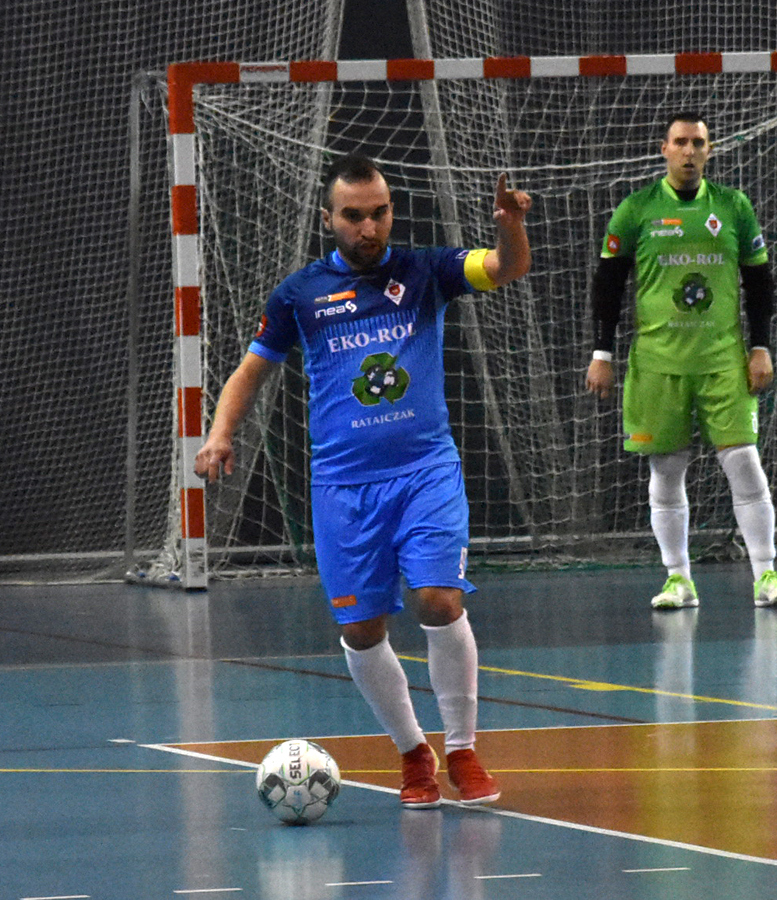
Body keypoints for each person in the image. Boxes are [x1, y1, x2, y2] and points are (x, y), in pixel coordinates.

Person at [195, 153, 532, 808]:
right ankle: (413, 753)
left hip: (424, 469)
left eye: (379, 212)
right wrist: (219, 433)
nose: (369, 226)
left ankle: (461, 748)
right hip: (344, 486)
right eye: (354, 216)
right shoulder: (300, 294)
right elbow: (250, 370)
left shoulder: (425, 270)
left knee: (439, 599)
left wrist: (508, 226)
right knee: (362, 630)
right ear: (330, 219)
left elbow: (504, 266)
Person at [585, 112, 777, 611]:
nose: (689, 151)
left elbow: (761, 283)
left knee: (745, 463)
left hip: (723, 360)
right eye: (680, 142)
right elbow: (607, 286)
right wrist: (601, 353)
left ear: (709, 149)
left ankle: (766, 574)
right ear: (664, 149)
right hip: (658, 362)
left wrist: (760, 345)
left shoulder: (733, 206)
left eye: (698, 143)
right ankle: (678, 580)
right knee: (666, 469)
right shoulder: (636, 210)